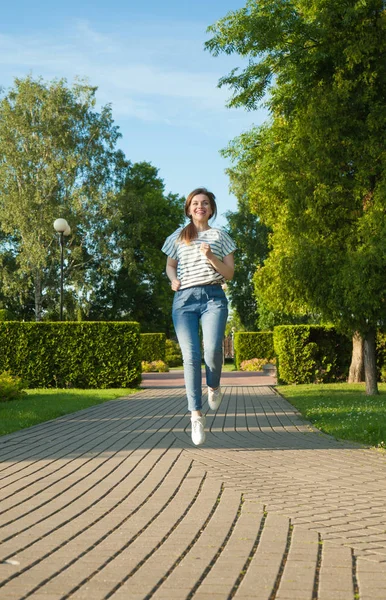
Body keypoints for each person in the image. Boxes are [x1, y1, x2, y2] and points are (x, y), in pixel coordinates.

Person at [161, 187, 236, 446]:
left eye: (204, 203)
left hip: (214, 297)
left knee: (212, 349)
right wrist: (173, 280)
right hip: (184, 301)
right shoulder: (178, 236)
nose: (199, 206)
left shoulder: (220, 236)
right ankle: (196, 415)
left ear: (211, 208)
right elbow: (170, 265)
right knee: (190, 357)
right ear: (189, 208)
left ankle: (214, 386)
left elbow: (229, 274)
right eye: (195, 203)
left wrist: (210, 256)